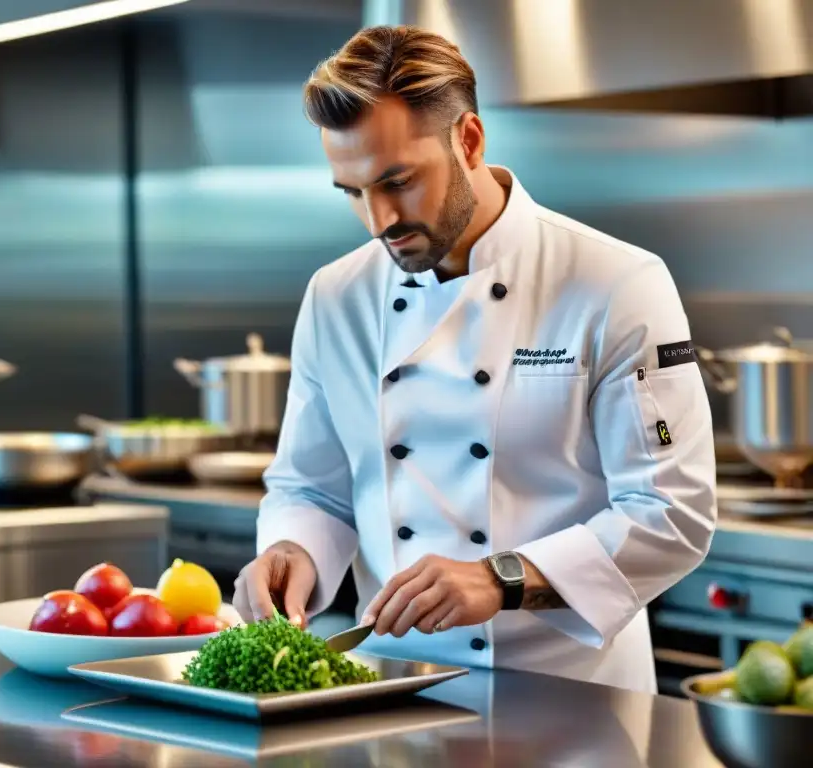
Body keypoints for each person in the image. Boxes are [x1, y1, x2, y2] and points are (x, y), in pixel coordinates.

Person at [231, 25, 717, 694]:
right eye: (352, 191)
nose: (378, 221)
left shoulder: (617, 284)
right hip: (396, 691)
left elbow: (670, 510)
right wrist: (293, 552)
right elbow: (311, 486)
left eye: (398, 182)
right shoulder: (336, 296)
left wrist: (502, 578)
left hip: (573, 698)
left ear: (469, 140)